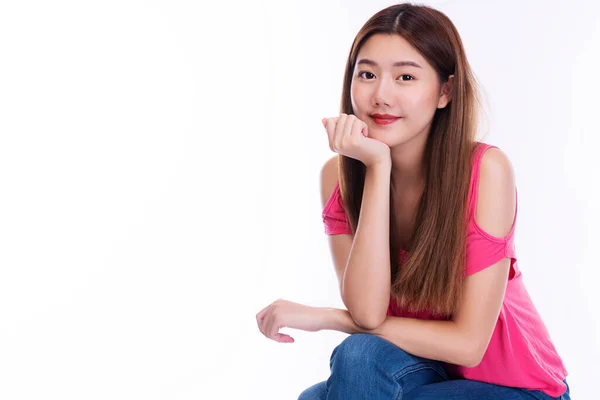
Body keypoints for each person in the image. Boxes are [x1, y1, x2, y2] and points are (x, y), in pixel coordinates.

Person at [256, 3, 570, 399]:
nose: (381, 95)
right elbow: (369, 313)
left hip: (516, 388)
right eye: (367, 74)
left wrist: (328, 319)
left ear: (445, 91)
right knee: (344, 370)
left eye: (405, 76)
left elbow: (469, 345)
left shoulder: (485, 170)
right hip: (425, 373)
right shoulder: (337, 178)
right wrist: (376, 167)